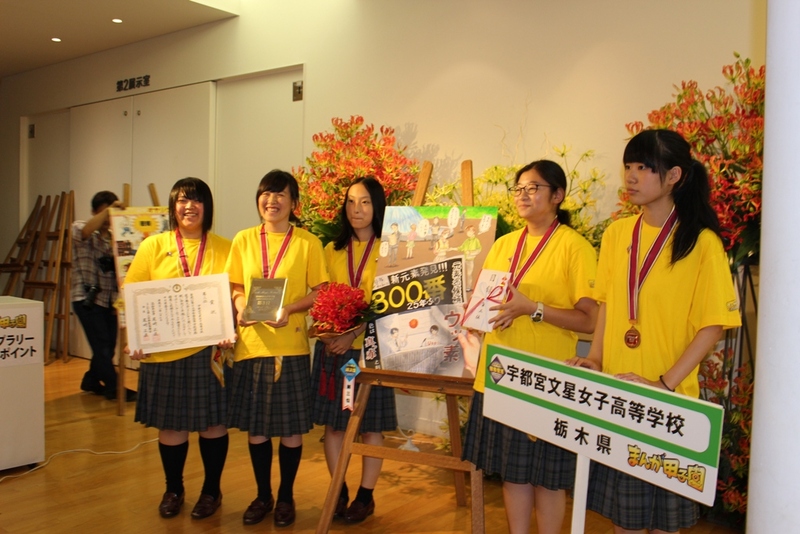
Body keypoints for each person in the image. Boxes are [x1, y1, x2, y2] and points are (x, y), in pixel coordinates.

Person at [567, 129, 740, 534]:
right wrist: (596, 359)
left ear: (675, 175)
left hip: (669, 407)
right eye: (628, 166)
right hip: (618, 398)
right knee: (624, 522)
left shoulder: (701, 242)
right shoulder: (617, 234)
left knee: (665, 525)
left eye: (644, 168)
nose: (631, 176)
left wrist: (664, 384)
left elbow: (713, 325)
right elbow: (607, 304)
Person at [461, 160, 598, 534]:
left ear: (557, 195)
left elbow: (590, 321)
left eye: (533, 188)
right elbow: (489, 303)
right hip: (500, 375)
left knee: (548, 479)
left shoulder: (574, 247)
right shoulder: (503, 244)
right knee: (514, 473)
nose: (523, 195)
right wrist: (473, 313)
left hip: (547, 381)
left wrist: (533, 309)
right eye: (518, 188)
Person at [125, 178, 233, 520]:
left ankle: (211, 491)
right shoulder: (153, 246)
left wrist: (230, 327)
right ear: (173, 207)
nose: (190, 207)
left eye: (197, 200)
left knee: (213, 424)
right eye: (183, 200)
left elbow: (236, 295)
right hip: (163, 354)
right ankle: (173, 489)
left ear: (207, 207)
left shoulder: (225, 247)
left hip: (209, 353)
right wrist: (135, 338)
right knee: (171, 426)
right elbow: (132, 295)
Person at [225, 169, 329, 528]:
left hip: (291, 346)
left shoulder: (308, 242)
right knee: (257, 429)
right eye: (266, 194)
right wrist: (240, 306)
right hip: (252, 345)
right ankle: (262, 495)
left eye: (280, 194)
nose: (271, 201)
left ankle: (285, 496)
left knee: (290, 429)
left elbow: (320, 291)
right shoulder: (243, 239)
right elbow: (236, 286)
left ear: (294, 203)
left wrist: (291, 309)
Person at [310, 176, 398, 523]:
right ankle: (339, 490)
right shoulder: (331, 250)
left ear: (377, 206)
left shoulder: (390, 249)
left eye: (364, 202)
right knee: (334, 426)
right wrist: (327, 334)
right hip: (333, 349)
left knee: (371, 427)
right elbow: (321, 297)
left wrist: (353, 333)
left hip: (372, 350)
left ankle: (365, 496)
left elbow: (389, 303)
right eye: (350, 201)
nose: (356, 209)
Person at [71, 191, 136, 401]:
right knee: (102, 345)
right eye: (104, 214)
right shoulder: (80, 227)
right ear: (94, 212)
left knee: (107, 347)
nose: (108, 220)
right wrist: (110, 210)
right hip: (86, 299)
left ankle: (91, 380)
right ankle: (114, 388)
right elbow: (85, 231)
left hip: (109, 301)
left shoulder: (114, 239)